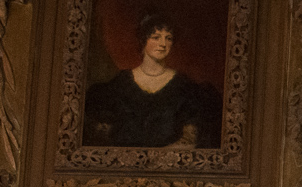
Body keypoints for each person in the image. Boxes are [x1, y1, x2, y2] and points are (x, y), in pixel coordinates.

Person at [83, 11, 221, 149]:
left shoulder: (184, 86)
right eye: (156, 37)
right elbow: (102, 139)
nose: (163, 44)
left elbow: (190, 141)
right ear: (143, 40)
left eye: (168, 38)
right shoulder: (120, 84)